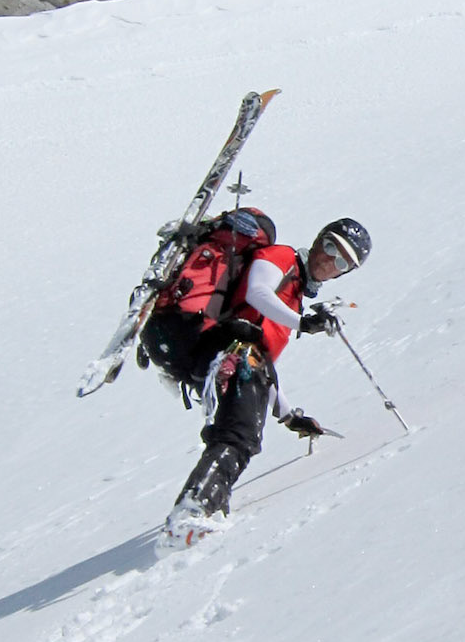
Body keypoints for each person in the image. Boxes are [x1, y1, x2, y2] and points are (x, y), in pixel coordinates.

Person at [138, 212, 372, 538]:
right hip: (223, 348)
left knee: (241, 434)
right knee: (239, 434)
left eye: (342, 263)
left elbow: (264, 368)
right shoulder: (283, 258)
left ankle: (205, 506)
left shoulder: (294, 297)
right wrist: (303, 323)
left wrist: (291, 416)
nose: (329, 261)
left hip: (222, 357)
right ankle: (195, 510)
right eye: (331, 248)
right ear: (319, 239)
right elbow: (256, 292)